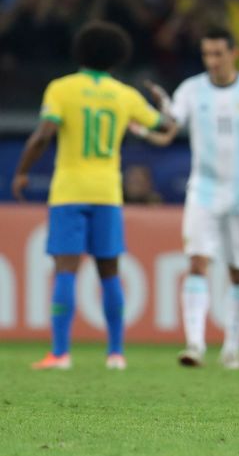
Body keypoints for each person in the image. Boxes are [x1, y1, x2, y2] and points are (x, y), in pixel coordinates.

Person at [12, 21, 174, 370]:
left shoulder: (62, 89)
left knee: (66, 271)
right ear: (118, 58)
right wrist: (164, 104)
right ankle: (115, 353)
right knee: (110, 272)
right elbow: (164, 125)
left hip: (69, 190)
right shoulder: (125, 95)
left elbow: (43, 135)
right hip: (107, 192)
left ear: (79, 51)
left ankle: (60, 353)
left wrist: (23, 170)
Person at [131, 27, 239, 370]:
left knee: (238, 273)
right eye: (206, 55)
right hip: (203, 190)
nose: (212, 61)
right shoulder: (191, 90)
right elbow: (168, 131)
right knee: (197, 263)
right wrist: (144, 127)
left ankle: (232, 346)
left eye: (218, 54)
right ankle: (195, 344)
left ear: (234, 53)